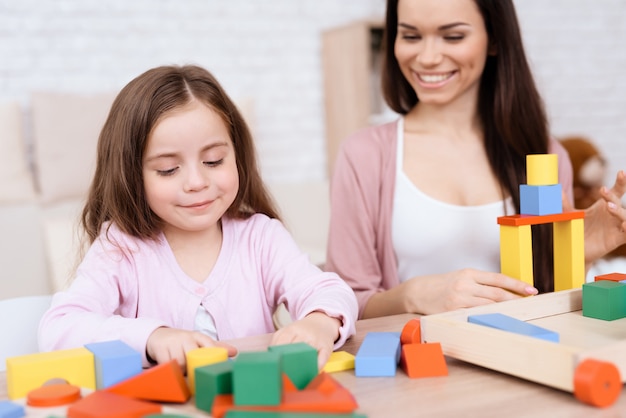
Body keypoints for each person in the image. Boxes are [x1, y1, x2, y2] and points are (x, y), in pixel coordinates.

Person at [38, 64, 358, 369]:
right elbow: (59, 329)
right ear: (131, 174)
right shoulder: (121, 249)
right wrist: (151, 338)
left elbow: (328, 290)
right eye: (168, 169)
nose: (196, 182)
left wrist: (320, 321)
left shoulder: (261, 237)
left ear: (237, 155)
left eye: (214, 161)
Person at [325, 0, 626, 319]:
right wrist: (413, 295)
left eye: (452, 36)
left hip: (515, 359)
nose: (427, 57)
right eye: (411, 36)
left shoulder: (545, 156)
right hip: (416, 364)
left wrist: (578, 255)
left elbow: (549, 304)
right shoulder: (364, 155)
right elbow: (343, 304)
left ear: (494, 39)